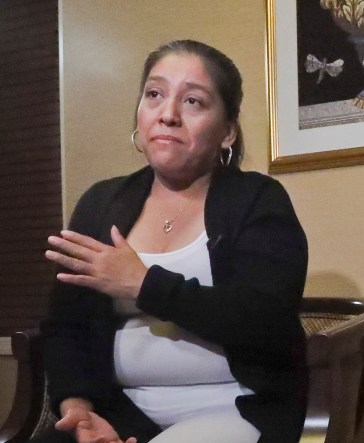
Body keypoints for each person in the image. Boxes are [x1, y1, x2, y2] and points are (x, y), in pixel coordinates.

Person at [36, 40, 308, 443]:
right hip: (121, 412)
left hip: (235, 408)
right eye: (155, 94)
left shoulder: (257, 200)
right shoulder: (101, 202)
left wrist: (143, 285)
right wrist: (80, 414)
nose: (168, 115)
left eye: (193, 101)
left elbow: (266, 321)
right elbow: (66, 328)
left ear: (227, 131)